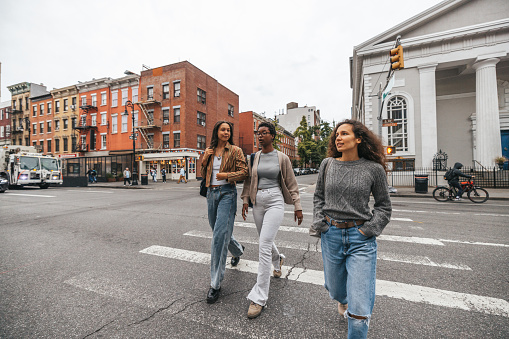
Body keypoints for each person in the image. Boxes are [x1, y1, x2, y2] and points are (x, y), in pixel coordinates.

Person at [310, 119, 392, 339]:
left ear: (358, 139)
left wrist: (369, 230)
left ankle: (355, 316)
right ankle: (343, 300)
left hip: (361, 239)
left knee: (359, 312)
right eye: (336, 134)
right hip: (332, 235)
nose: (338, 137)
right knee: (335, 289)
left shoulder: (373, 169)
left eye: (344, 134)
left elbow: (384, 206)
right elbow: (319, 197)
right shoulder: (328, 164)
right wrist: (322, 223)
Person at [241, 122, 303, 319]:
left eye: (264, 133)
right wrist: (245, 200)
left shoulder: (282, 157)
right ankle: (279, 260)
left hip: (275, 200)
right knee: (265, 241)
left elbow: (291, 182)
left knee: (264, 245)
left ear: (272, 136)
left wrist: (297, 205)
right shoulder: (254, 157)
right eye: (258, 133)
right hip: (257, 201)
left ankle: (259, 297)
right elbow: (249, 180)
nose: (260, 136)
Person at [201, 120, 248, 304]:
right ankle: (237, 250)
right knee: (217, 230)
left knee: (219, 237)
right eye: (223, 129)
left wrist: (226, 175)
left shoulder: (235, 150)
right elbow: (203, 172)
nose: (226, 132)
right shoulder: (210, 150)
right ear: (216, 132)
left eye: (228, 130)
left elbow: (244, 171)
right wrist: (205, 158)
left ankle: (215, 284)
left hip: (227, 194)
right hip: (211, 194)